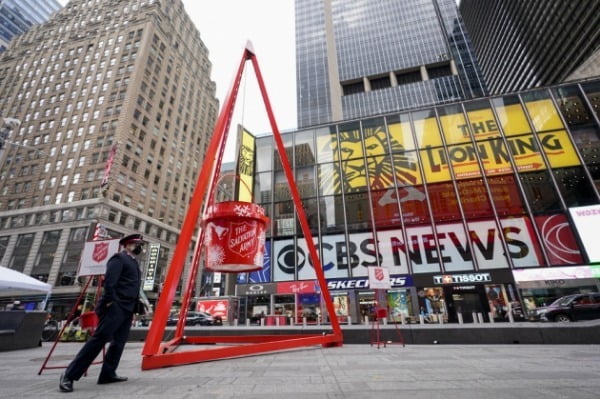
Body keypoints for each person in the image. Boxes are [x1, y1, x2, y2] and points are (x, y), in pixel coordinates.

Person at [59, 234, 144, 393]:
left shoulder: (133, 262)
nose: (139, 246)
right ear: (126, 245)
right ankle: (69, 375)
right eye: (135, 243)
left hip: (128, 307)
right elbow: (110, 283)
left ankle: (108, 373)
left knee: (119, 342)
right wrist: (111, 302)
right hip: (116, 306)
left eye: (140, 244)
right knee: (99, 340)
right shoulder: (118, 259)